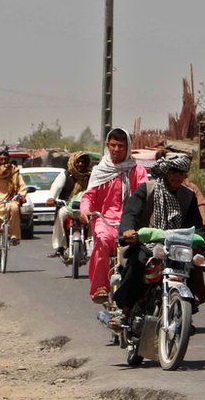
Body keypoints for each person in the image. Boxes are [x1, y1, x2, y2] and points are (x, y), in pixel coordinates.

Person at [114, 153, 205, 314]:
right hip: (146, 243)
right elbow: (130, 214)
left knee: (192, 265)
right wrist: (128, 230)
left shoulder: (188, 196)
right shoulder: (147, 189)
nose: (177, 177)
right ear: (166, 172)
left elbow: (196, 225)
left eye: (181, 173)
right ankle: (126, 309)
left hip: (176, 246)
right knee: (138, 262)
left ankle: (186, 311)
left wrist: (203, 241)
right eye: (173, 172)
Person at [79, 128, 148, 304]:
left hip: (131, 222)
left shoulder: (137, 170)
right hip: (105, 221)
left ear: (128, 148)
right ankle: (100, 287)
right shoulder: (100, 171)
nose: (116, 150)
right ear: (107, 146)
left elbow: (145, 194)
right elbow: (89, 196)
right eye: (113, 145)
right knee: (101, 241)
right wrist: (85, 210)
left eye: (121, 146)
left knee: (145, 253)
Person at [47, 151, 93, 260]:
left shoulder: (91, 176)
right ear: (73, 162)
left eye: (83, 162)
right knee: (61, 214)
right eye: (78, 162)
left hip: (85, 209)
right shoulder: (65, 175)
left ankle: (91, 246)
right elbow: (56, 187)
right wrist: (51, 198)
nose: (80, 164)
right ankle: (59, 247)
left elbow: (94, 190)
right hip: (68, 207)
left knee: (94, 220)